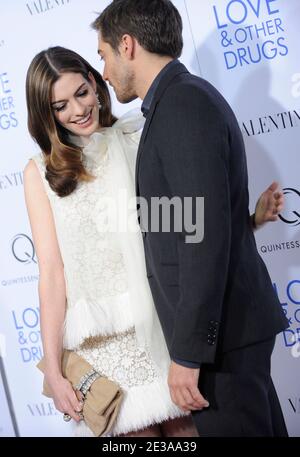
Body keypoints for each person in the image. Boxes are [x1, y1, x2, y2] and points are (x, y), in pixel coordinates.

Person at [92, 0, 289, 437]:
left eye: (103, 55)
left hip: (222, 344)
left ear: (127, 45)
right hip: (226, 339)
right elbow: (195, 219)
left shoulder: (182, 105)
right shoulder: (179, 102)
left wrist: (189, 353)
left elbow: (202, 241)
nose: (103, 71)